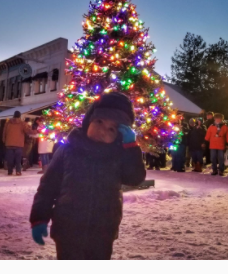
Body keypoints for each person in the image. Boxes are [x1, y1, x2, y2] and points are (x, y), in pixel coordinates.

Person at [29, 92, 146, 260]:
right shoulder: (69, 149)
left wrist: (131, 148)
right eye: (99, 122)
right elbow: (48, 187)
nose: (102, 130)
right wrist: (39, 218)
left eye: (111, 129)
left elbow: (134, 178)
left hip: (103, 230)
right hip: (68, 228)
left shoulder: (118, 154)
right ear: (89, 120)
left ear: (118, 135)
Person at [3, 111, 36, 176]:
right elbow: (27, 131)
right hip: (19, 144)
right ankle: (18, 171)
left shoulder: (8, 123)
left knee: (10, 158)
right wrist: (35, 131)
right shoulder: (22, 123)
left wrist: (4, 140)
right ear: (19, 116)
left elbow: (4, 132)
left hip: (9, 143)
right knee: (18, 159)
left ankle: (10, 171)